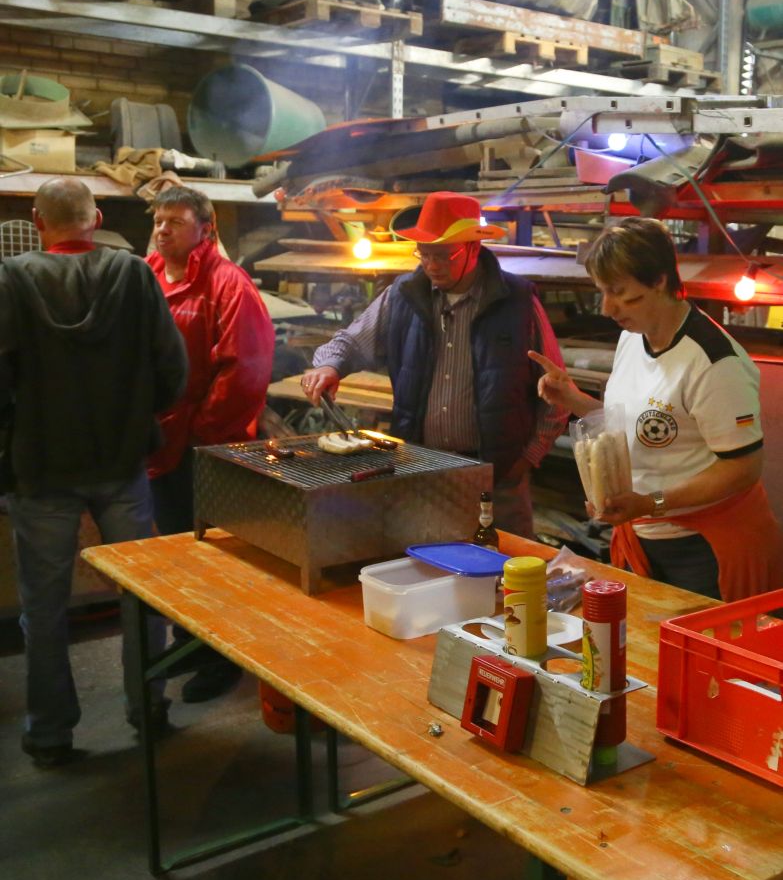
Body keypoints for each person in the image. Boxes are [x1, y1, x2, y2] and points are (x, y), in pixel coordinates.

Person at [0, 177, 188, 767]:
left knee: (45, 608)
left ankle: (51, 734)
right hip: (120, 461)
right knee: (141, 593)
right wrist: (137, 418)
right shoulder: (135, 274)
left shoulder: (11, 279)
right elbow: (171, 367)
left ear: (37, 220)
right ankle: (148, 708)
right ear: (97, 217)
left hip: (41, 468)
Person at [531, 215, 783, 602]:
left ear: (660, 281)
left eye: (620, 292)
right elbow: (641, 423)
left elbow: (743, 468)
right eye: (602, 291)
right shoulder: (633, 338)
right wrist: (573, 400)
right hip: (645, 534)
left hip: (705, 544)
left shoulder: (714, 363)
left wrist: (651, 503)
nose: (607, 307)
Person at [301, 191, 568, 536]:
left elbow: (558, 391)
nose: (431, 265)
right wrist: (329, 366)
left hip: (498, 477)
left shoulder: (516, 302)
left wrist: (527, 458)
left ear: (473, 248)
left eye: (443, 254)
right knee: (422, 562)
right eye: (424, 254)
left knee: (505, 573)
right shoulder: (404, 296)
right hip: (421, 467)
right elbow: (351, 341)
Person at [146, 185, 275, 702]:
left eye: (175, 221)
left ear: (206, 230)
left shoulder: (227, 285)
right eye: (158, 220)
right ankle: (190, 643)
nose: (162, 229)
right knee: (180, 559)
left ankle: (222, 660)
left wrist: (201, 434)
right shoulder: (148, 274)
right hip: (158, 444)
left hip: (205, 450)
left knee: (215, 561)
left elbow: (244, 370)